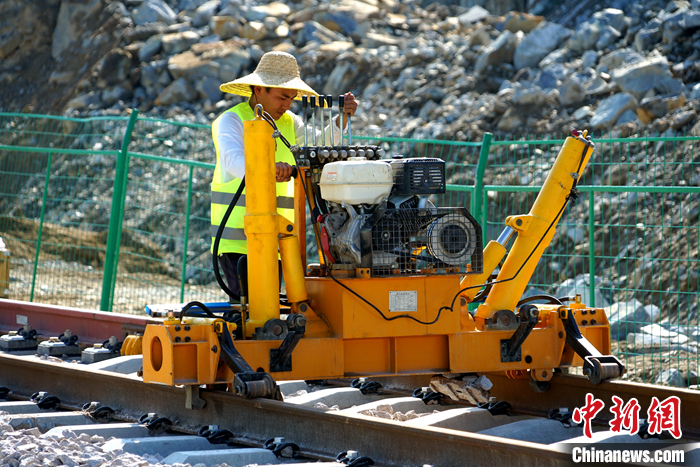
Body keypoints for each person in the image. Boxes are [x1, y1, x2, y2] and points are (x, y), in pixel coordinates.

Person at [210, 51, 358, 300]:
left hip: (277, 237)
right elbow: (234, 161)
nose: (287, 105)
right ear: (258, 90)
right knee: (249, 308)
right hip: (238, 240)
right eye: (281, 97)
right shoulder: (231, 121)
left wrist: (340, 119)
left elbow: (318, 147)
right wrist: (270, 169)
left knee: (269, 306)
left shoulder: (290, 122)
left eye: (291, 98)